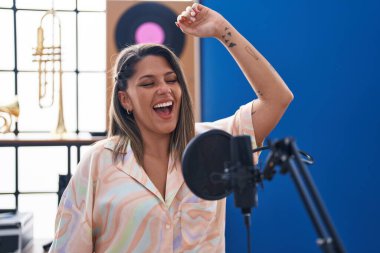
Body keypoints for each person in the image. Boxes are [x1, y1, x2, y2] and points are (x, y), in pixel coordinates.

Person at [48, 3, 293, 253]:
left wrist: (222, 29)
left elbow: (277, 98)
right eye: (148, 83)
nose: (164, 88)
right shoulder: (99, 162)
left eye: (171, 79)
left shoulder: (213, 145)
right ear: (125, 100)